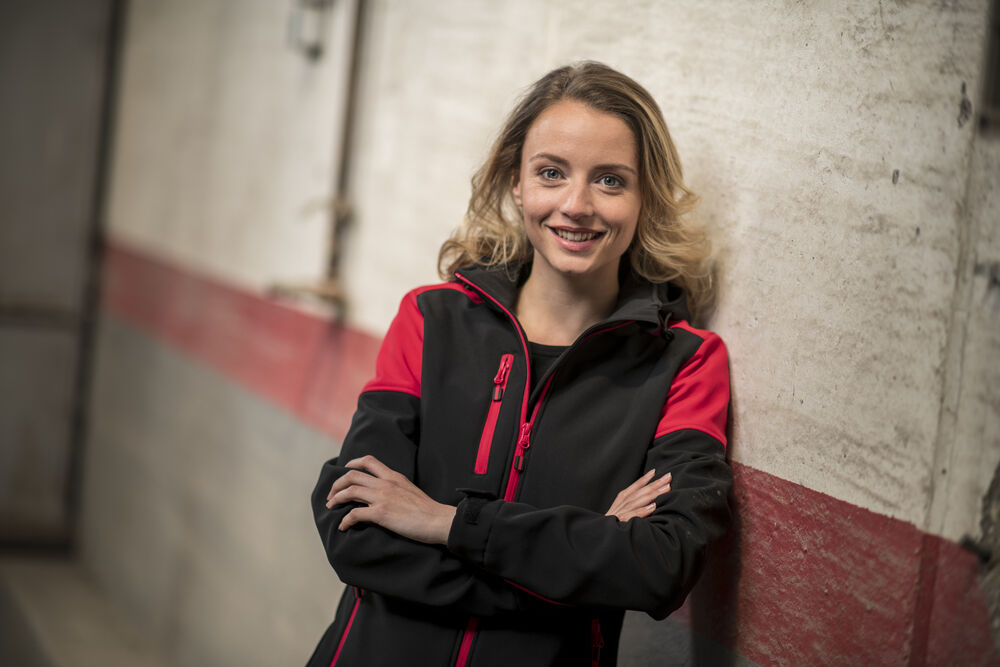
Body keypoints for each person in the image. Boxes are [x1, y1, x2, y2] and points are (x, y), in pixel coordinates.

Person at [307, 61, 732, 667]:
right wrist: (578, 576)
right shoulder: (431, 319)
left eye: (610, 181)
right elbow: (354, 531)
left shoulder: (686, 362)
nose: (576, 205)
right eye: (551, 173)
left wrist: (445, 523)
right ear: (517, 183)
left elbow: (661, 565)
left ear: (646, 199)